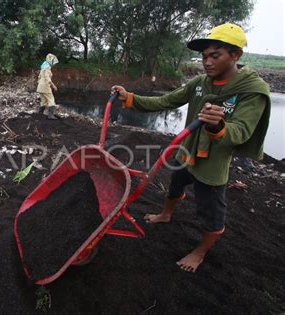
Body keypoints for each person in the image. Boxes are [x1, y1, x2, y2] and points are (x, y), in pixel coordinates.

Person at [111, 23, 271, 272]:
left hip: (213, 163)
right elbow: (166, 100)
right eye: (204, 56)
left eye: (214, 56)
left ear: (236, 55)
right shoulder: (200, 83)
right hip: (187, 151)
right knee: (174, 185)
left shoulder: (251, 91)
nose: (207, 62)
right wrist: (130, 98)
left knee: (212, 213)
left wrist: (218, 126)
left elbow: (241, 132)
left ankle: (200, 252)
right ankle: (166, 214)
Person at [36, 53, 59, 120]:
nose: (54, 64)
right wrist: (53, 85)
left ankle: (39, 114)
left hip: (40, 86)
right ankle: (50, 115)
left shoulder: (43, 67)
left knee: (43, 101)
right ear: (51, 61)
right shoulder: (47, 68)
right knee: (51, 100)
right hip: (45, 86)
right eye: (54, 62)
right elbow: (47, 77)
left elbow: (39, 77)